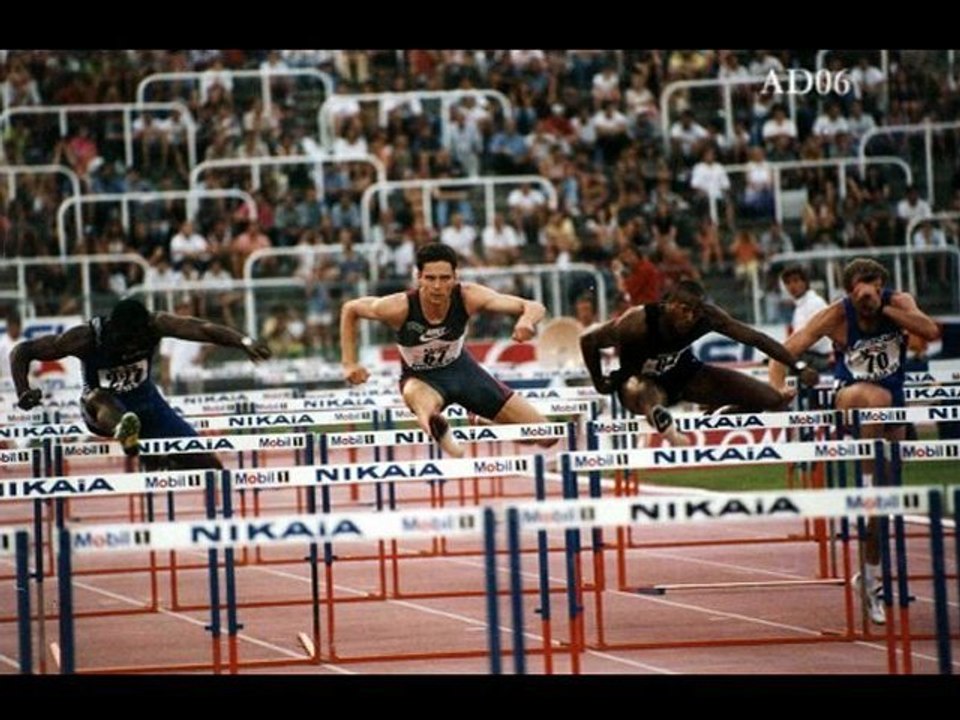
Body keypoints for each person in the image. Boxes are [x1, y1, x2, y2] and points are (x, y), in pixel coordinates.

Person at [768, 258, 940, 625]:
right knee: (873, 401)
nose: (867, 293)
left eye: (874, 285)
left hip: (894, 405)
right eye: (861, 288)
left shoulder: (900, 302)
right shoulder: (836, 315)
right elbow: (786, 349)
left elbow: (930, 331)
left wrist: (888, 310)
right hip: (850, 398)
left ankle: (870, 579)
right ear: (849, 290)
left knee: (885, 503)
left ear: (881, 285)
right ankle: (864, 484)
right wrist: (776, 389)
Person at [340, 242, 556, 458]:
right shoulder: (399, 307)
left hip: (463, 372)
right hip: (422, 378)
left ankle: (481, 421)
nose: (437, 286)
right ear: (419, 278)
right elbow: (351, 309)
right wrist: (349, 362)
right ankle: (437, 427)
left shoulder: (468, 296)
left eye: (444, 278)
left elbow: (534, 306)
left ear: (455, 277)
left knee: (546, 435)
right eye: (430, 278)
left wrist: (526, 321)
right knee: (419, 401)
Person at [10, 298, 271, 468]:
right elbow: (21, 351)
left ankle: (158, 455)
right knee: (98, 397)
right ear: (114, 330)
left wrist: (244, 342)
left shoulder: (154, 324)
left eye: (138, 341)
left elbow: (201, 328)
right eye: (127, 341)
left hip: (149, 405)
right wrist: (23, 390)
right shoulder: (86, 337)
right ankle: (126, 432)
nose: (133, 346)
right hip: (103, 411)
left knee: (212, 469)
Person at [580, 279, 820, 447]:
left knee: (773, 400)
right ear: (670, 305)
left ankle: (723, 409)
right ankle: (667, 427)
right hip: (638, 383)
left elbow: (756, 338)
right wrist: (599, 382)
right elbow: (588, 340)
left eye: (695, 312)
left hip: (686, 375)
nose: (690, 317)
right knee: (643, 390)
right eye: (684, 310)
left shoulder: (707, 316)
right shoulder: (638, 321)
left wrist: (797, 366)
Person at [780, 265, 833, 373]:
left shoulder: (815, 303)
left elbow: (813, 339)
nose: (792, 286)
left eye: (796, 281)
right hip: (808, 356)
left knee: (784, 367)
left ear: (805, 282)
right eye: (788, 283)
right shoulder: (799, 308)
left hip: (819, 358)